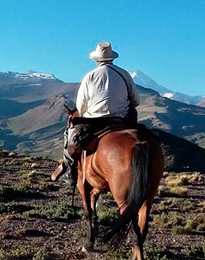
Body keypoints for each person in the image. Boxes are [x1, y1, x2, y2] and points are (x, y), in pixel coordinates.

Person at [53, 42, 140, 182]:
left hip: (94, 121)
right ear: (112, 58)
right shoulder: (125, 75)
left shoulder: (90, 76)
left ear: (96, 59)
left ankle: (69, 170)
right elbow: (136, 101)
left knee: (69, 136)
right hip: (122, 119)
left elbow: (81, 106)